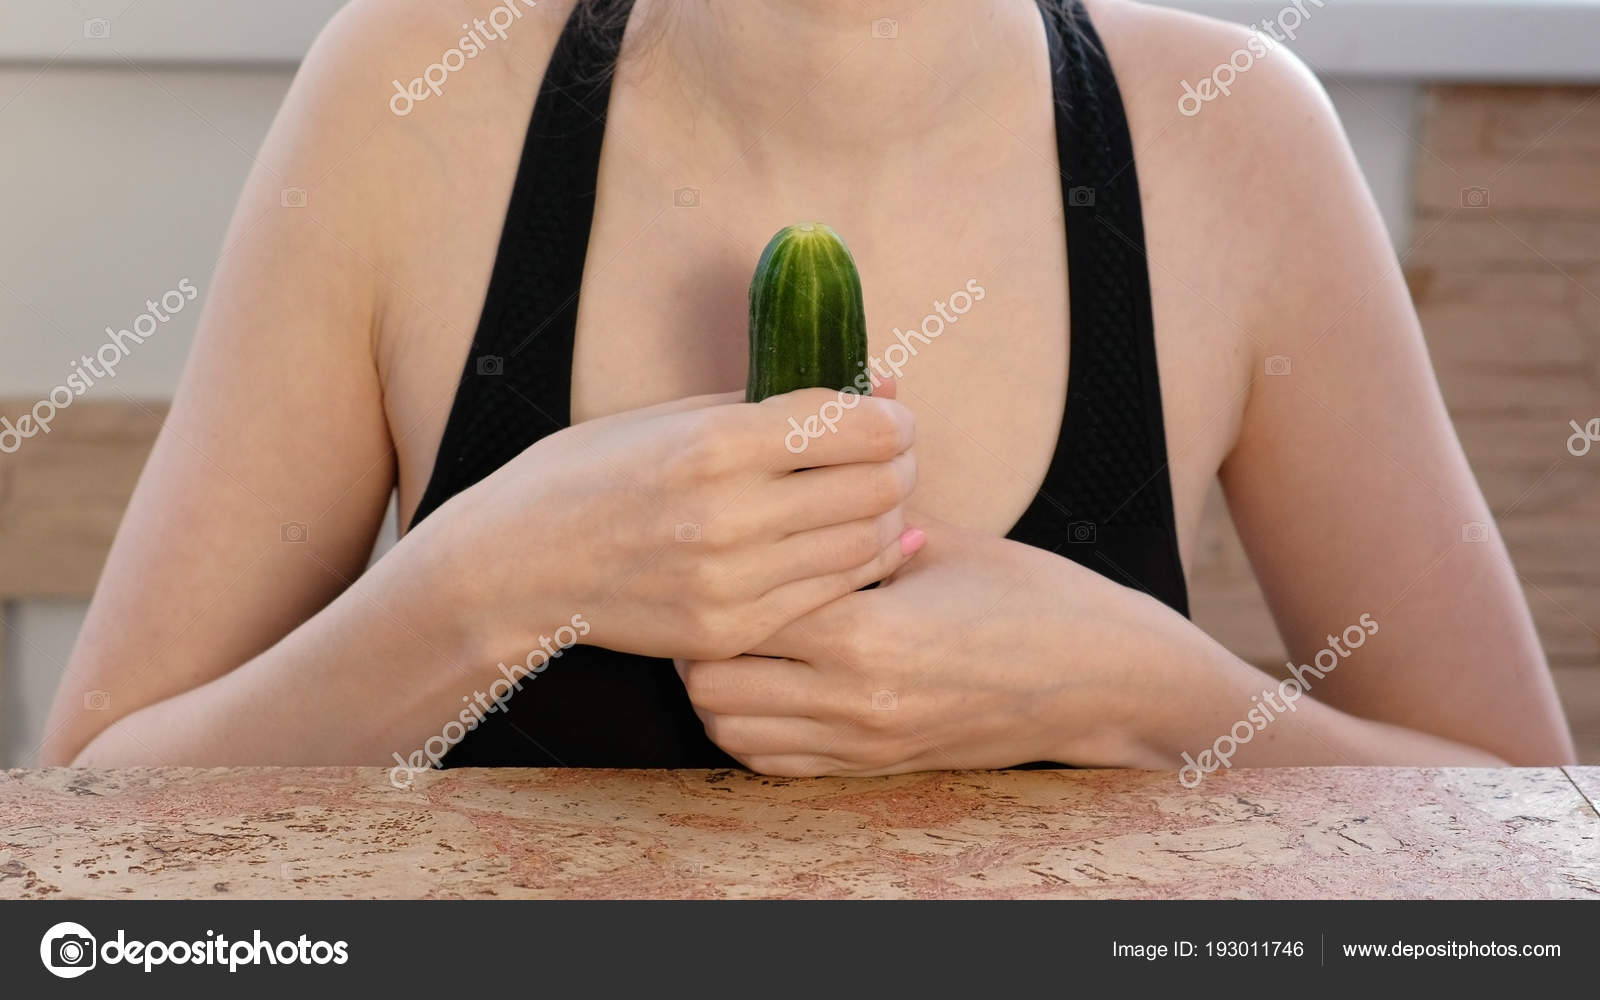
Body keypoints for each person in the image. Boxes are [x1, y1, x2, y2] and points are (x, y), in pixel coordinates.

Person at [42, 0, 1574, 775]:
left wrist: (1150, 696)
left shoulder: (1238, 133)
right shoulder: (405, 88)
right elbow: (80, 840)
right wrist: (479, 592)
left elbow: (1525, 846)